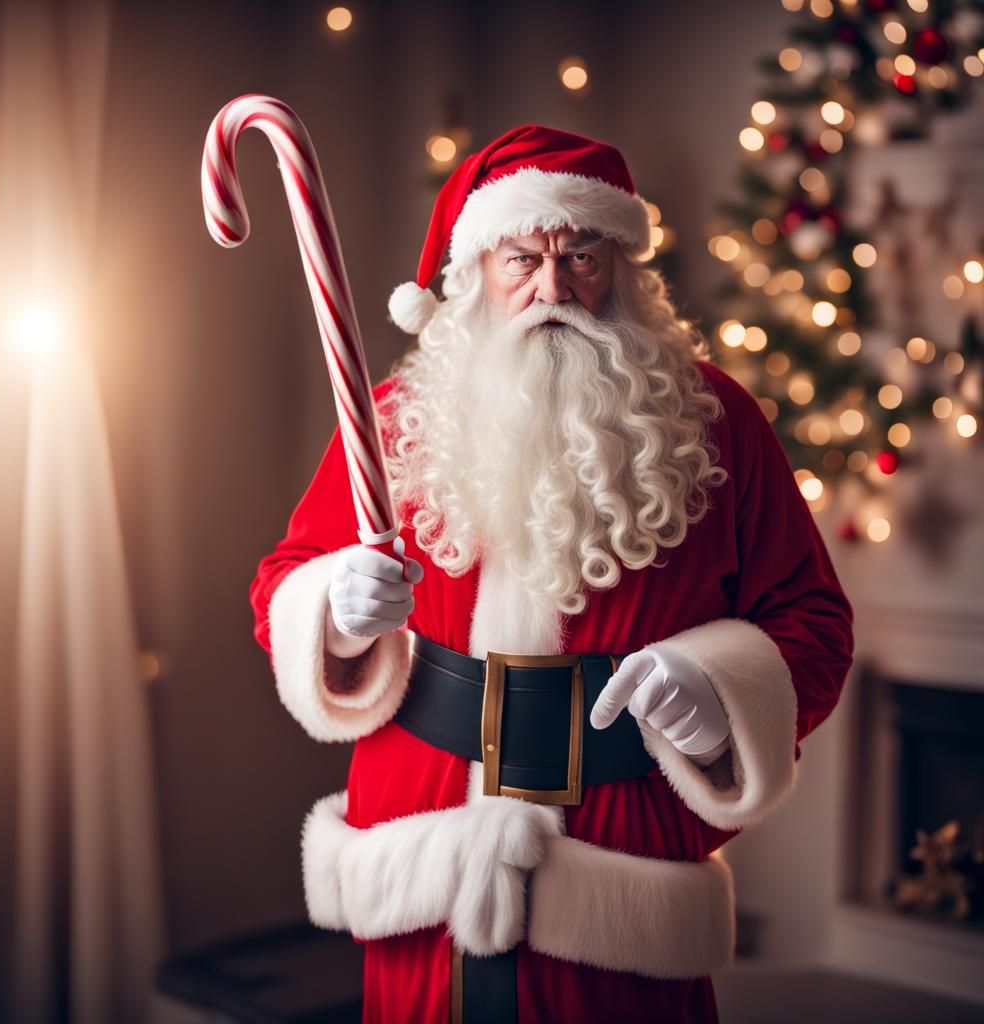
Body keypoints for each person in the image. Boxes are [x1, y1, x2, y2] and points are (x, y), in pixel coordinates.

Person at [249, 125, 854, 1024]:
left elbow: (812, 621)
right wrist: (332, 610)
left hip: (620, 859)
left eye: (582, 255)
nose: (552, 286)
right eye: (521, 257)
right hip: (424, 845)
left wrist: (716, 686)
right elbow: (283, 582)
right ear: (478, 271)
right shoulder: (395, 421)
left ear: (621, 268)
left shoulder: (715, 417)